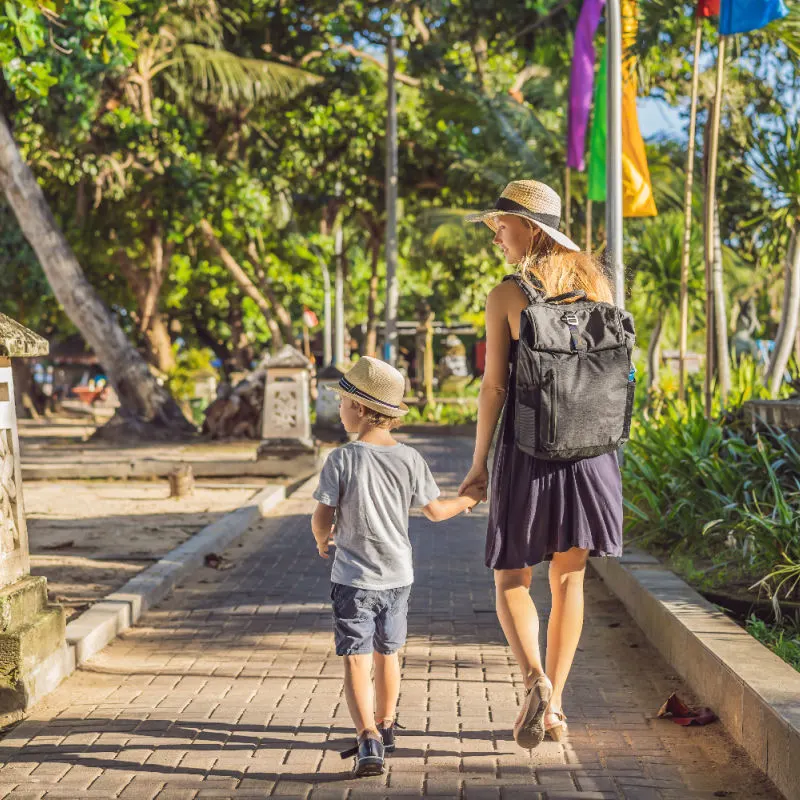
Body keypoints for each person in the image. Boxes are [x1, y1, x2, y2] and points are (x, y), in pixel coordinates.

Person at [459, 180, 623, 749]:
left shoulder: (508, 294)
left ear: (530, 227)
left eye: (501, 225)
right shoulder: (597, 285)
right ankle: (555, 710)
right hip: (593, 453)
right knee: (569, 578)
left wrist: (478, 464)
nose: (496, 237)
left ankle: (535, 680)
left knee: (511, 578)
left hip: (529, 448)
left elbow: (494, 387)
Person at [311, 356, 483, 777]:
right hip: (398, 579)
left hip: (353, 579)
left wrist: (321, 538)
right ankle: (387, 725)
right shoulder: (409, 459)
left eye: (343, 401)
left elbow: (322, 515)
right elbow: (436, 512)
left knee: (356, 658)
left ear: (361, 409)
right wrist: (470, 499)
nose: (339, 408)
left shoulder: (341, 459)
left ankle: (366, 735)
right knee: (390, 653)